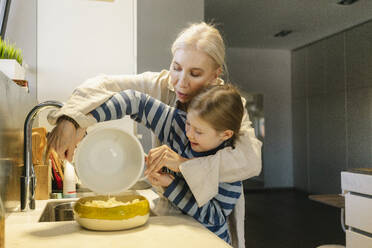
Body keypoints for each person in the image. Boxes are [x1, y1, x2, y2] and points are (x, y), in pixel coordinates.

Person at [46, 22, 262, 247]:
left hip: (208, 230)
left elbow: (250, 161)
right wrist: (72, 119)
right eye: (176, 67)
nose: (180, 82)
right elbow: (111, 89)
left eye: (195, 73)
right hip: (173, 216)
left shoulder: (231, 110)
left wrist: (180, 165)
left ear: (215, 75)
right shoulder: (168, 103)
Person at [87, 84, 244, 245]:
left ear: (225, 134)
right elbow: (136, 102)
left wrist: (171, 184)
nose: (189, 134)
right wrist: (82, 121)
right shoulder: (179, 124)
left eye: (199, 132)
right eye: (188, 123)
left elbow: (214, 216)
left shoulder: (232, 168)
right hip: (177, 234)